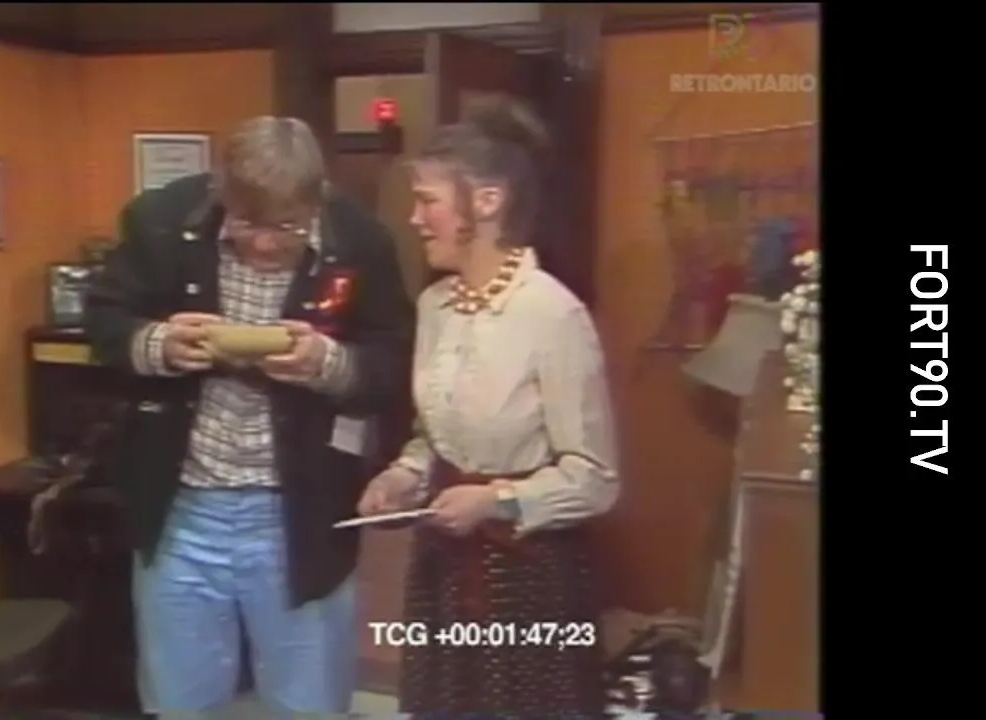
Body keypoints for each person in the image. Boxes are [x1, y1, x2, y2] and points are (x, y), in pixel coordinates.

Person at [85, 115, 414, 717]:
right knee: (181, 703)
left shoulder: (360, 241)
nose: (264, 243)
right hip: (181, 512)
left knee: (309, 703)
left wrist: (328, 363)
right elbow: (104, 321)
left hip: (300, 514)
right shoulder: (160, 221)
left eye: (286, 227)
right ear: (221, 194)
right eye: (245, 223)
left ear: (316, 201)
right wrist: (157, 344)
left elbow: (393, 362)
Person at [356, 94, 620, 717]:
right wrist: (404, 474)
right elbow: (434, 435)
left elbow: (596, 479)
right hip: (443, 567)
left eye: (428, 201)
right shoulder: (435, 307)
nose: (415, 218)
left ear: (488, 201)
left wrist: (496, 501)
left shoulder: (552, 314)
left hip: (527, 577)